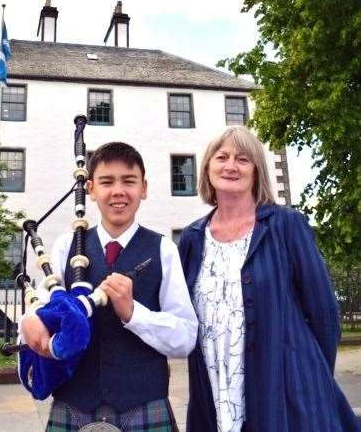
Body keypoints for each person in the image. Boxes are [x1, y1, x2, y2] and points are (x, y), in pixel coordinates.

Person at [178, 125, 360, 432]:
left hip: (285, 397)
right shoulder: (192, 238)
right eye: (222, 157)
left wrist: (307, 379)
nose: (231, 166)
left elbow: (324, 315)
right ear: (208, 167)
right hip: (214, 393)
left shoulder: (287, 225)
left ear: (257, 171)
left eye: (243, 159)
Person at [22, 141, 198, 431]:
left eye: (129, 181)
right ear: (91, 189)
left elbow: (185, 337)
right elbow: (42, 308)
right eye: (107, 181)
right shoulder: (68, 245)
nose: (118, 191)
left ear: (144, 188)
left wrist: (133, 314)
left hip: (144, 404)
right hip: (73, 404)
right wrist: (29, 323)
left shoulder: (163, 249)